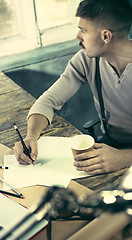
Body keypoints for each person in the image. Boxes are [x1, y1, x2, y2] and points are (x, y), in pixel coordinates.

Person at [14, 0, 132, 175]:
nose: (78, 36)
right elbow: (48, 101)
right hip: (107, 147)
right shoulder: (87, 60)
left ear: (106, 36)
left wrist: (124, 158)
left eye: (83, 30)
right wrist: (31, 135)